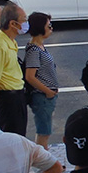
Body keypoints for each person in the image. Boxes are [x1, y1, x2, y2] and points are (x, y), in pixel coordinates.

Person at [0, 2, 28, 135]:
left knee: (19, 136)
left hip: (17, 96)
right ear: (13, 24)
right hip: (8, 100)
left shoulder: (10, 41)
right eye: (24, 20)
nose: (26, 23)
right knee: (12, 138)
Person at [24, 12, 58, 150]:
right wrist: (48, 91)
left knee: (46, 130)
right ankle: (43, 164)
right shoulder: (34, 50)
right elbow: (30, 76)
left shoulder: (39, 47)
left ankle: (45, 160)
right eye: (48, 26)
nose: (51, 28)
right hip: (42, 96)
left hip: (47, 96)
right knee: (43, 132)